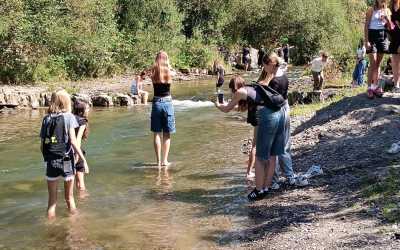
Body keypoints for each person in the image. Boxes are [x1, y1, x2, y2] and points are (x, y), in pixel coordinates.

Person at [216, 53, 286, 201]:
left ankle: (259, 190)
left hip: (268, 119)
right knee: (273, 156)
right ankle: (266, 188)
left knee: (261, 158)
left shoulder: (241, 92)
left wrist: (217, 104)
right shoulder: (257, 87)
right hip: (280, 115)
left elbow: (227, 109)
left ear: (235, 88)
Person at [40, 89, 88, 219]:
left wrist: (47, 160)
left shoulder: (46, 119)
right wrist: (83, 159)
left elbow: (42, 145)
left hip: (51, 161)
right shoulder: (69, 117)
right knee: (69, 198)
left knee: (52, 202)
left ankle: (51, 231)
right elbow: (73, 142)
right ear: (66, 102)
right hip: (67, 160)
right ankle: (74, 228)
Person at [151, 51, 176, 167]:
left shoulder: (154, 71)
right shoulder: (169, 71)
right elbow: (174, 73)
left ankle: (157, 162)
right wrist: (168, 65)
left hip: (156, 102)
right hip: (167, 103)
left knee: (157, 133)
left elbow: (146, 75)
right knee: (167, 133)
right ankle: (165, 161)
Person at [365, 0, 392, 98]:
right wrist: (366, 41)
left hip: (382, 37)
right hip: (372, 37)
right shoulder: (371, 10)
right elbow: (366, 26)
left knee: (378, 64)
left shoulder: (387, 10)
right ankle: (369, 88)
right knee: (373, 63)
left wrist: (386, 19)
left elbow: (390, 27)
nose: (382, 1)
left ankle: (375, 86)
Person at [73, 100, 90, 194]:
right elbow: (78, 139)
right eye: (87, 108)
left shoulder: (70, 118)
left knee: (71, 182)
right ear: (81, 111)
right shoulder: (82, 121)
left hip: (67, 151)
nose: (88, 110)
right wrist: (80, 157)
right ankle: (83, 201)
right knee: (81, 184)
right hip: (76, 151)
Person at [390, 0, 400, 92]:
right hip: (393, 38)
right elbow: (390, 25)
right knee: (395, 62)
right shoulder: (390, 7)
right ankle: (396, 85)